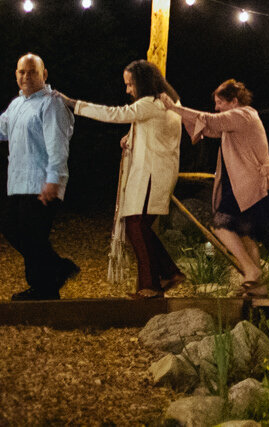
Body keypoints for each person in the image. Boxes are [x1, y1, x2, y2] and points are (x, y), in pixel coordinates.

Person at [58, 60, 183, 298]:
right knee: (138, 226)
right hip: (157, 171)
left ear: (142, 82)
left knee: (136, 225)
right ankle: (168, 273)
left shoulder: (151, 103)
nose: (127, 90)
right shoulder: (169, 102)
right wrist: (131, 137)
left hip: (151, 174)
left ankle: (151, 285)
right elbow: (155, 132)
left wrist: (74, 104)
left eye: (130, 84)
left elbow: (114, 114)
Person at [163, 78, 269, 295]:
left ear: (234, 101)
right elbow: (209, 128)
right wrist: (179, 113)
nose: (217, 107)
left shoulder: (243, 115)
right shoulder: (235, 121)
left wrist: (174, 107)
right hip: (244, 183)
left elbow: (210, 120)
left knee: (221, 224)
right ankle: (258, 287)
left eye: (220, 102)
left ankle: (251, 271)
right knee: (245, 233)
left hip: (250, 183)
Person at [0, 53, 77, 299]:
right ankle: (56, 271)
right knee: (15, 229)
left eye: (32, 71)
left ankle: (43, 288)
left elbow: (58, 145)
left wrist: (53, 179)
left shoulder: (52, 103)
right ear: (16, 74)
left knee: (33, 234)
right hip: (19, 183)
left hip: (42, 182)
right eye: (22, 71)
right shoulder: (17, 104)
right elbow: (3, 130)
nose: (26, 76)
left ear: (44, 74)